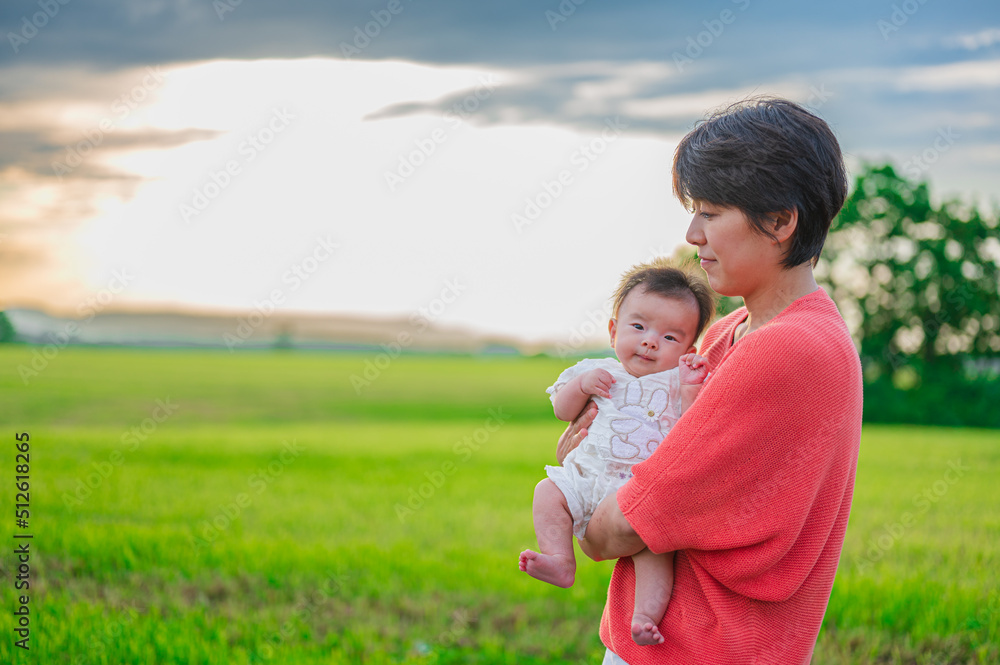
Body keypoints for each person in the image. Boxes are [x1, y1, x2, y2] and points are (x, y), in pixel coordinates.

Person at [558, 97, 863, 664]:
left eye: (711, 212)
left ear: (779, 221)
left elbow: (618, 528)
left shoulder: (788, 348)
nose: (693, 234)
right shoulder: (731, 331)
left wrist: (585, 498)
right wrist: (600, 457)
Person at [519, 259, 715, 646]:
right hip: (586, 478)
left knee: (656, 554)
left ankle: (644, 618)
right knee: (547, 492)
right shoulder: (595, 369)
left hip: (635, 493)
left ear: (688, 349)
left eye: (670, 338)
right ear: (613, 331)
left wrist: (692, 388)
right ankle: (559, 559)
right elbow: (562, 410)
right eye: (638, 327)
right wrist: (581, 385)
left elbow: (693, 431)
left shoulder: (679, 383)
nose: (650, 341)